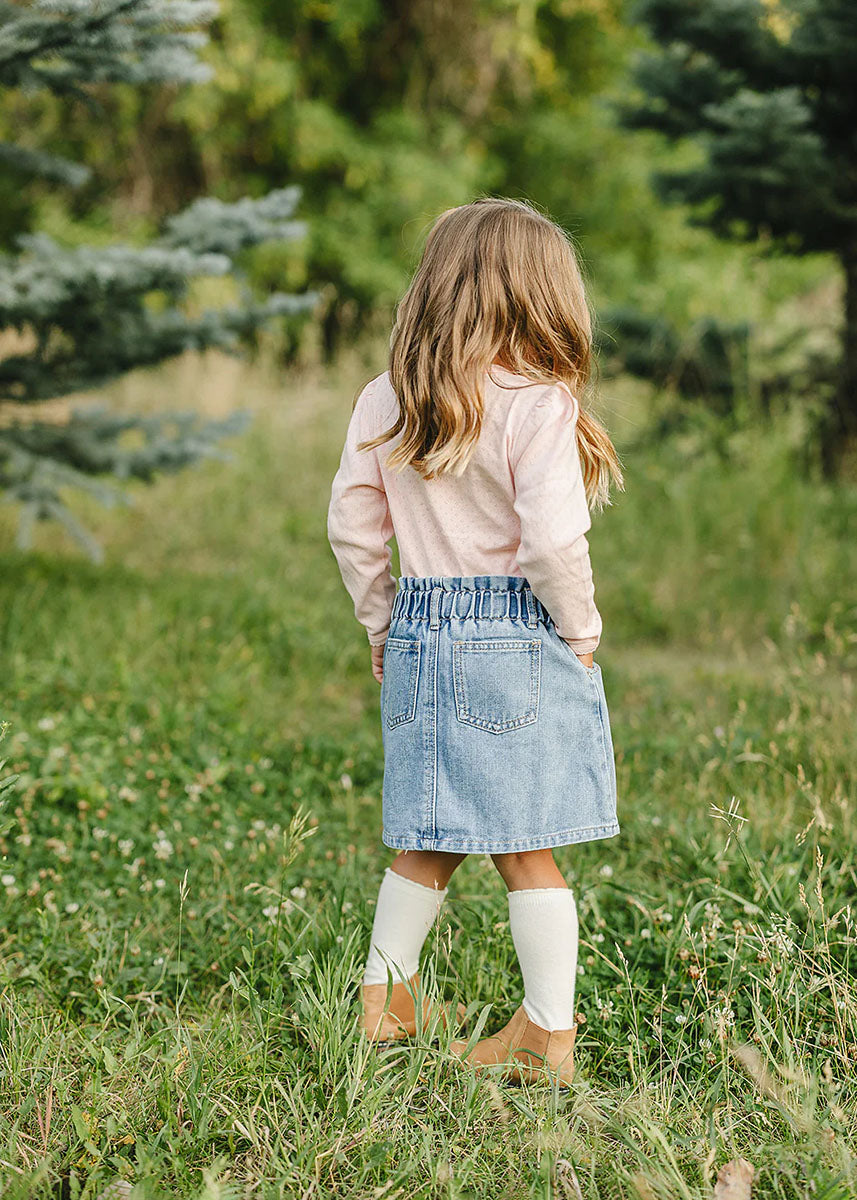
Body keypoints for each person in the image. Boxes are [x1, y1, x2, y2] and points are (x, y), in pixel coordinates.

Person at [326, 196, 623, 1087]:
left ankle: (387, 1000)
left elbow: (351, 526)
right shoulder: (538, 403)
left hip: (420, 623)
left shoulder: (389, 397)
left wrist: (383, 623)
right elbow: (549, 543)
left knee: (430, 826)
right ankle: (546, 1033)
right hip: (510, 635)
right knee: (526, 842)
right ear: (540, 295)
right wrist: (579, 627)